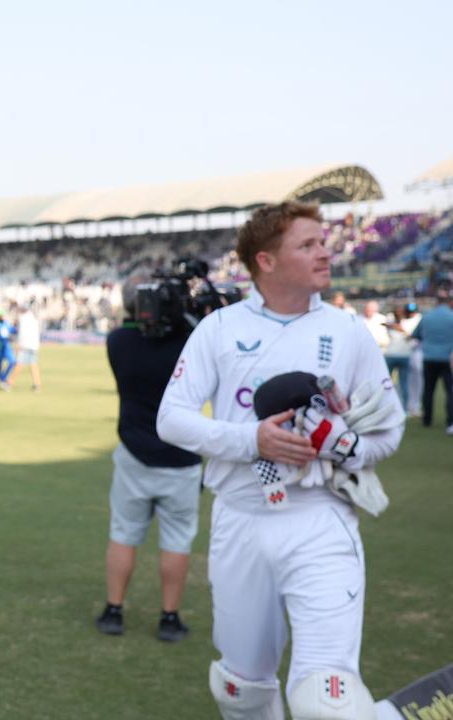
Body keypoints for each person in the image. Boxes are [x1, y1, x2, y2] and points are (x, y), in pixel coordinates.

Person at [157, 201, 404, 719]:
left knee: (325, 699)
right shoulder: (220, 328)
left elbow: (389, 430)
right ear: (266, 261)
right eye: (308, 245)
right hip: (240, 519)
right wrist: (253, 441)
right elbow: (172, 420)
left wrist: (343, 445)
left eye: (323, 242)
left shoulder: (348, 331)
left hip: (320, 520)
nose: (324, 253)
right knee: (242, 690)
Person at [96, 276, 201, 643]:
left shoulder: (119, 342)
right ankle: (169, 617)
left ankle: (113, 610)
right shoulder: (189, 343)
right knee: (177, 541)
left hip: (134, 454)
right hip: (182, 457)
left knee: (123, 533)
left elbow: (131, 328)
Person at [411, 287, 453, 433]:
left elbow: (416, 334)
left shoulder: (427, 316)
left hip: (429, 358)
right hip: (448, 359)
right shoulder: (451, 316)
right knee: (450, 391)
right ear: (448, 302)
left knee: (428, 390)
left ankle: (427, 419)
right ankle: (450, 422)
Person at [10, 301, 42, 392]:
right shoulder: (34, 318)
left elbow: (22, 333)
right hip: (34, 345)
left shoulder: (23, 318)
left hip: (25, 345)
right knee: (33, 364)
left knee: (19, 363)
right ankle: (37, 384)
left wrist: (18, 345)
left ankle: (9, 382)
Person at [0, 309, 15, 390]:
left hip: (7, 346)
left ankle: (3, 378)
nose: (2, 317)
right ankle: (2, 380)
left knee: (12, 361)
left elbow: (13, 330)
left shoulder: (6, 324)